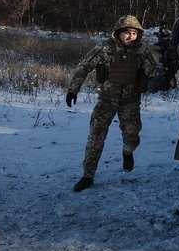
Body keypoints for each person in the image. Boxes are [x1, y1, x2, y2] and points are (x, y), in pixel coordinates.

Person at [65, 15, 161, 192]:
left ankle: (127, 152)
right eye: (126, 33)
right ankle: (87, 176)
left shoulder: (142, 51)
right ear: (118, 33)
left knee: (132, 135)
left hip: (130, 102)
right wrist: (73, 89)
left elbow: (152, 71)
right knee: (95, 137)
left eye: (134, 33)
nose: (130, 36)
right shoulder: (104, 48)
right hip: (106, 100)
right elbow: (84, 66)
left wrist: (161, 78)